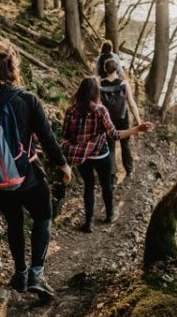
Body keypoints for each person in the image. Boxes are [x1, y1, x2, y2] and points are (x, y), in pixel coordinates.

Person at [0, 42, 72, 299]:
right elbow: (47, 138)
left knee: (13, 221)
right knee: (43, 215)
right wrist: (63, 165)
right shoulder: (27, 100)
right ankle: (37, 274)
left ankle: (20, 275)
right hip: (27, 178)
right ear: (12, 69)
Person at [62, 76, 152, 233]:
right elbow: (115, 135)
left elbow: (65, 135)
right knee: (106, 185)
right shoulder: (100, 110)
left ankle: (88, 222)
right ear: (96, 92)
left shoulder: (70, 110)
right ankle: (110, 214)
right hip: (100, 155)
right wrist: (137, 129)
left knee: (88, 186)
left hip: (81, 157)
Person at [100, 59, 143, 182]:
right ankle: (129, 170)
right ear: (117, 69)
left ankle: (112, 176)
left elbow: (98, 105)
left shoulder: (100, 85)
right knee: (125, 144)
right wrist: (138, 121)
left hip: (107, 120)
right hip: (123, 119)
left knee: (111, 147)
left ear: (105, 69)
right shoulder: (124, 84)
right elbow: (131, 104)